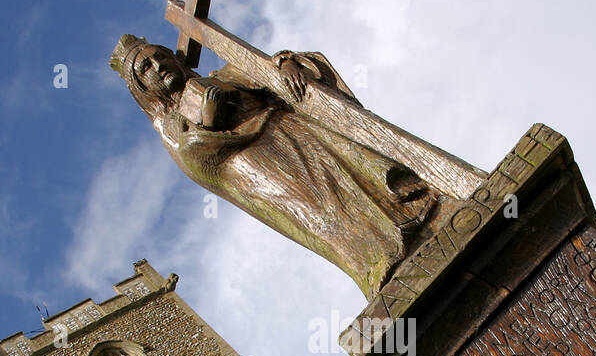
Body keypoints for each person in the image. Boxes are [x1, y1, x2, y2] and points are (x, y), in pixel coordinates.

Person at [111, 34, 441, 297]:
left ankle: (426, 212)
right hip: (264, 173)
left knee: (366, 168)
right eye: (145, 69)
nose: (156, 65)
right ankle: (383, 262)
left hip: (299, 133)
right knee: (327, 214)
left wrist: (286, 64)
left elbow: (263, 69)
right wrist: (207, 124)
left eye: (159, 56)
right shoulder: (172, 125)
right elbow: (195, 159)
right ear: (144, 90)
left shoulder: (222, 75)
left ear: (175, 57)